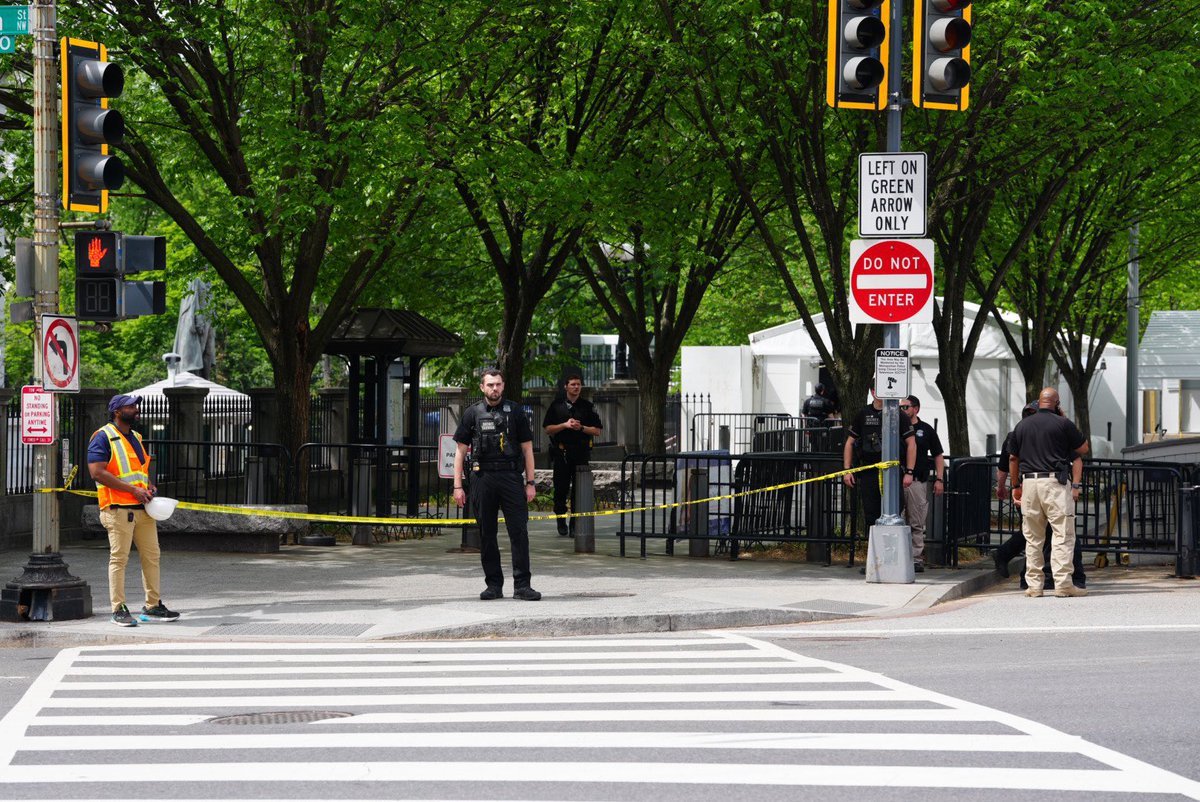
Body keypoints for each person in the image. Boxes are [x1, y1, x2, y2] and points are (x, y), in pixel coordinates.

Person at [87, 394, 180, 627]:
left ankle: (152, 605)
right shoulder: (103, 436)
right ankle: (118, 609)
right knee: (119, 559)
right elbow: (97, 472)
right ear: (117, 412)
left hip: (143, 508)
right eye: (130, 406)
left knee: (152, 556)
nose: (136, 409)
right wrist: (133, 490)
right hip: (117, 509)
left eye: (135, 406)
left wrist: (147, 486)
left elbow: (139, 470)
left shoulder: (136, 437)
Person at [452, 369, 542, 601]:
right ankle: (493, 585)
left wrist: (530, 482)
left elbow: (527, 449)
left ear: (503, 386)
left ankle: (522, 585)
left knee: (519, 533)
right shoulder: (472, 413)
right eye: (490, 385)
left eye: (498, 385)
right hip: (482, 479)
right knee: (487, 534)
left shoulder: (516, 411)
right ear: (482, 387)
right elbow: (460, 452)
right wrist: (458, 486)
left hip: (511, 478)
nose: (495, 389)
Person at [1007, 387, 1090, 598]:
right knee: (1062, 534)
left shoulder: (1022, 425)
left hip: (1029, 484)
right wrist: (1063, 418)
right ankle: (1063, 584)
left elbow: (1013, 459)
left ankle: (1034, 585)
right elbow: (1083, 449)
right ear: (1057, 403)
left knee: (1033, 537)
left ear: (1039, 402)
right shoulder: (1062, 424)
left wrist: (1015, 485)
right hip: (1054, 484)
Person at [843, 382, 917, 534]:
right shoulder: (863, 414)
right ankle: (875, 552)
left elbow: (911, 444)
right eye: (876, 389)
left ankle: (892, 550)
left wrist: (909, 472)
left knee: (895, 510)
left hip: (894, 471)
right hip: (869, 470)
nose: (879, 392)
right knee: (871, 512)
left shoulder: (899, 414)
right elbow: (849, 443)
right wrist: (847, 470)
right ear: (871, 391)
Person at [542, 374, 603, 537]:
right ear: (566, 386)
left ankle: (575, 523)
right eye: (573, 384)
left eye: (579, 384)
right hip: (562, 453)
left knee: (579, 490)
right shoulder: (557, 406)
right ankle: (561, 520)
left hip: (581, 453)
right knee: (560, 489)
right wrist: (564, 425)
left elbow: (597, 430)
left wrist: (581, 427)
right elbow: (547, 429)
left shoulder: (587, 406)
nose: (576, 387)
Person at [902, 395, 944, 573]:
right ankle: (898, 557)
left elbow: (938, 455)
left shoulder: (926, 430)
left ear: (916, 409)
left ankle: (916, 558)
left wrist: (939, 479)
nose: (902, 410)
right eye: (900, 407)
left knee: (916, 522)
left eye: (906, 407)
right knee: (896, 521)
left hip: (917, 481)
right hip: (896, 481)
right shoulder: (894, 428)